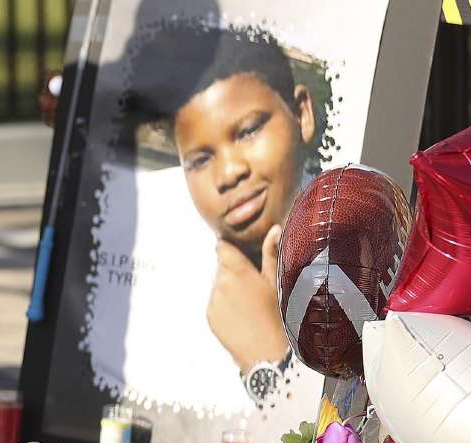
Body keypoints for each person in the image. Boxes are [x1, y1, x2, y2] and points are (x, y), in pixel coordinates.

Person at [124, 22, 324, 404]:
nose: (230, 173)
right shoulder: (162, 259)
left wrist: (270, 357)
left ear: (301, 115)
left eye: (248, 131)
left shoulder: (358, 238)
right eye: (200, 159)